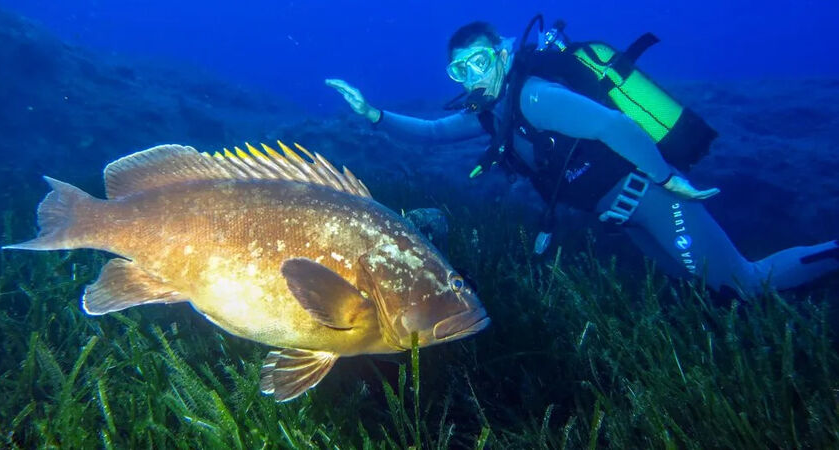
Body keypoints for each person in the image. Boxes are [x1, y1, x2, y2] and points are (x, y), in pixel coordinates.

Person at [326, 20, 839, 297]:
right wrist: (374, 115)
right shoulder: (495, 113)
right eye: (460, 71)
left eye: (479, 61)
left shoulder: (533, 96)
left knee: (745, 283)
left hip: (654, 196)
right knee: (701, 285)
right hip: (625, 215)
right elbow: (433, 133)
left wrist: (666, 177)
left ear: (502, 54)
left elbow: (615, 126)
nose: (472, 76)